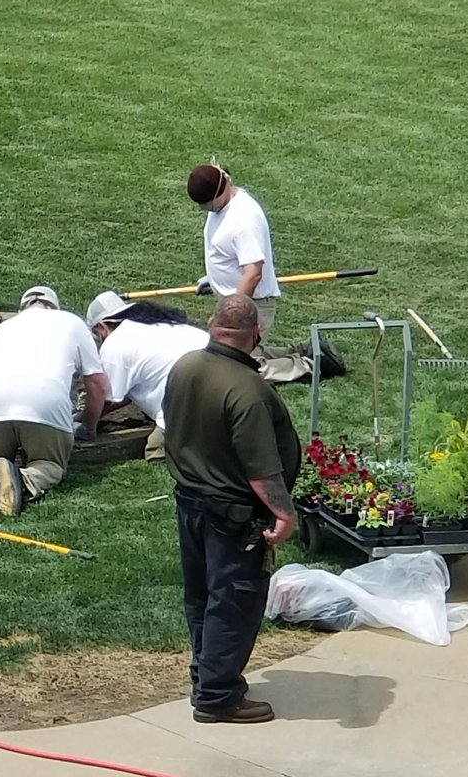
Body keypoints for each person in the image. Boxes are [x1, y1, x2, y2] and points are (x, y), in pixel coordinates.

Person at [162, 294, 301, 724]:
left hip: (191, 501)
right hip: (234, 514)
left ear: (211, 323)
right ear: (256, 333)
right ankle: (218, 696)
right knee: (234, 600)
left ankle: (206, 678)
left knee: (203, 596)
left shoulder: (185, 367)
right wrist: (284, 514)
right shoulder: (248, 391)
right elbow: (261, 470)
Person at [186, 163, 345, 383]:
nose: (206, 210)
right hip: (238, 299)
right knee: (238, 355)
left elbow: (253, 273)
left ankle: (312, 363)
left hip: (252, 304)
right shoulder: (223, 205)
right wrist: (213, 279)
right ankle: (304, 349)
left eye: (207, 205)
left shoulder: (244, 220)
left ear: (219, 191)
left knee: (237, 370)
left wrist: (229, 312)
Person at [0, 287, 108, 516]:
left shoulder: (4, 327)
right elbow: (97, 385)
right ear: (54, 307)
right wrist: (88, 425)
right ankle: (24, 479)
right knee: (50, 465)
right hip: (43, 404)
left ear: (23, 308)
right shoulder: (72, 322)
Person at [84, 292, 209, 463]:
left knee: (156, 452)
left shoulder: (114, 344)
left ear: (102, 327)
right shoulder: (157, 325)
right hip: (225, 386)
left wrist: (81, 421)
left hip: (194, 403)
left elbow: (105, 399)